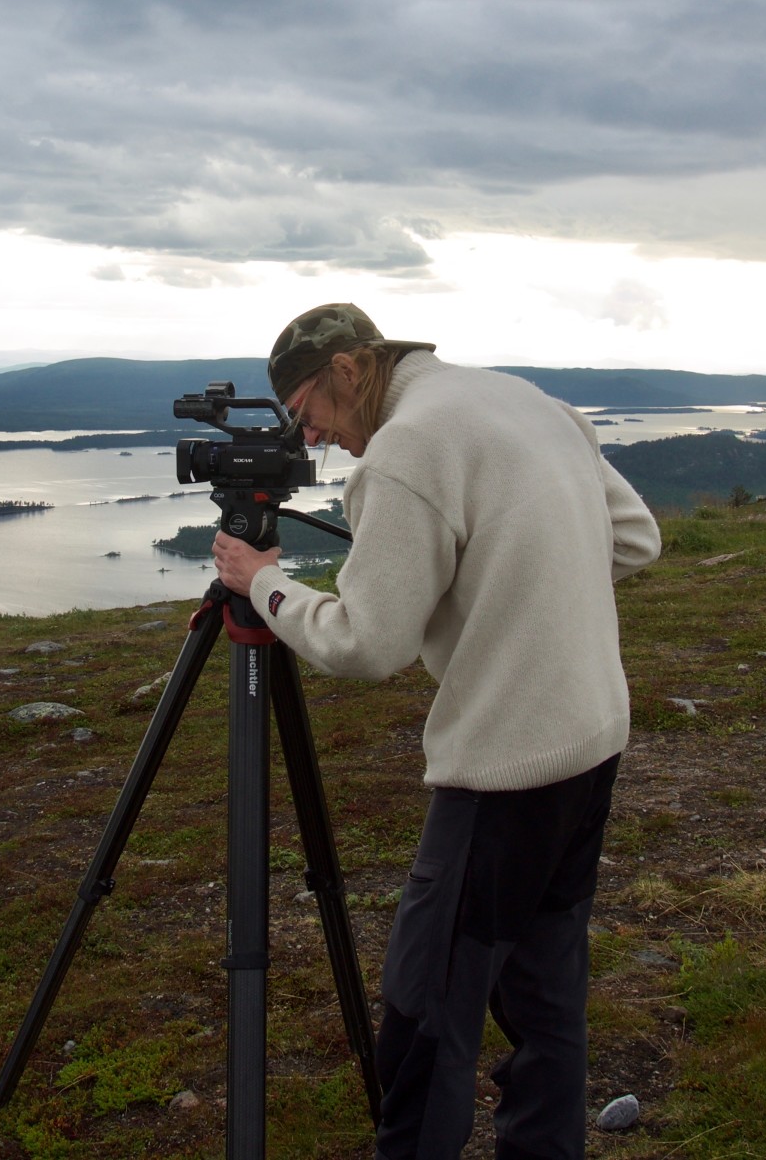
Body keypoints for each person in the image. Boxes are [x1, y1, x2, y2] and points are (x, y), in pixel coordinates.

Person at [211, 303, 661, 1160]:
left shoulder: (408, 446)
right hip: (591, 738)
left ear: (350, 369)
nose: (310, 437)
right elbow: (635, 539)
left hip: (505, 765)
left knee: (427, 1014)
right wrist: (515, 581)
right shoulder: (522, 399)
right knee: (545, 998)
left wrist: (263, 584)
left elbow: (366, 642)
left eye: (309, 410)